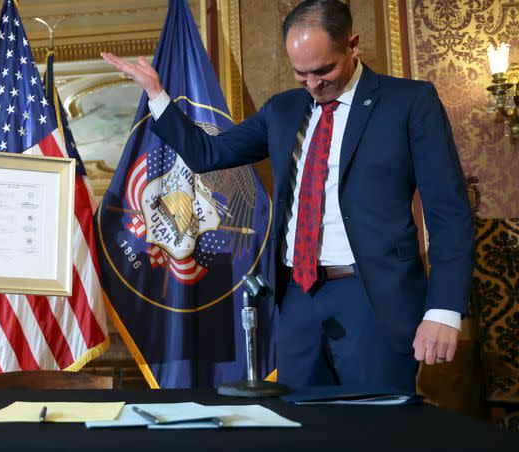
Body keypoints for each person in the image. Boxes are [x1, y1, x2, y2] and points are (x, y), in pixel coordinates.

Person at [100, 0, 474, 391]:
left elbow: (449, 214)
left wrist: (444, 310)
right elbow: (207, 153)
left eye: (324, 70)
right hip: (298, 298)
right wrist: (157, 94)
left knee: (375, 431)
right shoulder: (283, 109)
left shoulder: (409, 103)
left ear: (353, 44)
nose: (313, 84)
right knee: (300, 428)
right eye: (301, 74)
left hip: (373, 297)